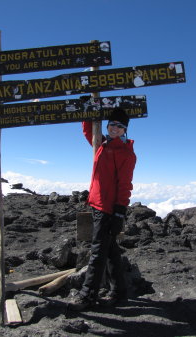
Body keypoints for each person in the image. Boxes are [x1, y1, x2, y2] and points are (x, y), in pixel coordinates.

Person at [69, 108, 136, 311]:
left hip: (108, 208)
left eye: (119, 126)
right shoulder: (102, 144)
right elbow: (89, 132)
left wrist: (119, 212)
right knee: (110, 249)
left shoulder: (125, 153)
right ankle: (119, 292)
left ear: (125, 130)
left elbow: (125, 185)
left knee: (98, 250)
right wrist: (86, 110)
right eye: (112, 124)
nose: (115, 128)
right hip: (97, 204)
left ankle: (88, 295)